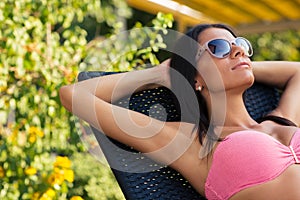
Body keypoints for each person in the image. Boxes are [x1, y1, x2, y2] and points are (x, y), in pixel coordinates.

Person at [59, 23, 300, 199]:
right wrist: (161, 74)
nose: (238, 50)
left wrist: (241, 64)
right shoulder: (191, 142)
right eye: (218, 47)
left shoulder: (281, 120)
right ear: (195, 77)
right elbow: (73, 95)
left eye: (241, 45)